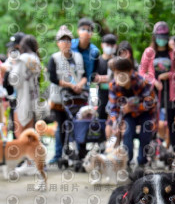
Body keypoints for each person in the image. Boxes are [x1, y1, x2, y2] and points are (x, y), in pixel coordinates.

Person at [139, 21, 175, 151]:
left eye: (164, 38)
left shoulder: (173, 53)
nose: (161, 41)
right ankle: (152, 150)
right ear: (154, 37)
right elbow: (142, 72)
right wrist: (154, 81)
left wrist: (168, 75)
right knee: (153, 121)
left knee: (172, 122)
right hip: (153, 92)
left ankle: (174, 150)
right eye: (159, 38)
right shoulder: (149, 52)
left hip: (170, 93)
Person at [106, 57, 157, 168]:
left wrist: (133, 108)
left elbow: (151, 102)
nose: (119, 76)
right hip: (127, 115)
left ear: (130, 72)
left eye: (122, 73)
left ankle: (142, 162)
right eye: (116, 73)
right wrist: (113, 123)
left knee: (145, 133)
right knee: (127, 133)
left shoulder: (142, 82)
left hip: (145, 113)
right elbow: (113, 108)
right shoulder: (113, 85)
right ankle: (127, 162)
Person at [47, 25, 87, 161]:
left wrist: (79, 85)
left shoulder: (78, 57)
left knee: (79, 125)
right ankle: (59, 154)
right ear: (58, 43)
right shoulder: (54, 58)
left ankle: (81, 154)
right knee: (61, 127)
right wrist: (69, 85)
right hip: (60, 98)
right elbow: (52, 77)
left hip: (78, 97)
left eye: (68, 40)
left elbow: (85, 75)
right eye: (62, 40)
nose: (66, 43)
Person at [8, 35, 41, 175]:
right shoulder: (35, 58)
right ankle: (31, 163)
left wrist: (9, 70)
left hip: (22, 99)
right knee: (30, 132)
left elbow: (15, 80)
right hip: (32, 98)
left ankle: (28, 163)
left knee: (20, 133)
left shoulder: (22, 59)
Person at [92, 34, 117, 120]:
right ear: (102, 45)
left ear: (115, 46)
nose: (109, 47)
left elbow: (120, 77)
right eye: (107, 45)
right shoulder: (97, 61)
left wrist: (101, 78)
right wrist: (110, 78)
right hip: (101, 94)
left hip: (116, 94)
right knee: (101, 117)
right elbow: (93, 78)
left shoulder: (117, 61)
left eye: (112, 45)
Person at [71, 18, 99, 85]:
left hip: (85, 87)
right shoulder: (70, 46)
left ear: (92, 33)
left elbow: (94, 71)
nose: (86, 32)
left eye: (89, 30)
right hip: (68, 85)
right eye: (83, 29)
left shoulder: (94, 51)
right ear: (78, 31)